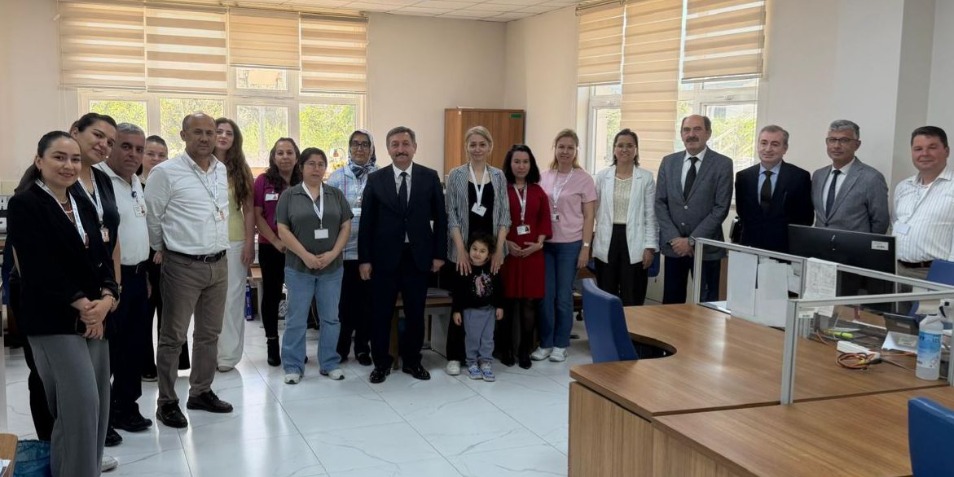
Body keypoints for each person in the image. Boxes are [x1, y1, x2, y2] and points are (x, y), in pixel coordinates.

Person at [9, 131, 119, 477]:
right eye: (59, 157)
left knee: (97, 407)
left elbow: (101, 255)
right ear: (39, 161)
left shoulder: (81, 202)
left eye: (74, 159)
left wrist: (108, 297)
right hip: (54, 319)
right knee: (78, 408)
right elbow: (37, 265)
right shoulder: (26, 204)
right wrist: (82, 304)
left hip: (95, 316)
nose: (68, 165)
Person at [145, 112, 234, 429]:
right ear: (183, 135)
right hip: (182, 264)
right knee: (173, 337)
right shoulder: (165, 172)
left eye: (210, 132)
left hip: (218, 263)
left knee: (209, 334)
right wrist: (164, 248)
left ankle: (200, 392)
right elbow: (152, 217)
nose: (206, 138)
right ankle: (167, 402)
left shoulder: (221, 169)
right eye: (198, 132)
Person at [358, 126, 448, 384]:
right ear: (388, 149)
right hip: (383, 259)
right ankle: (381, 363)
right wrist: (365, 259)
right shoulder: (376, 179)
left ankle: (412, 361)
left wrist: (439, 254)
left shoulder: (429, 177)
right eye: (395, 144)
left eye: (406, 144)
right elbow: (367, 223)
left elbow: (441, 219)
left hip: (417, 258)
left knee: (415, 313)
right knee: (381, 314)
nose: (401, 149)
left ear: (414, 147)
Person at [97, 123, 155, 441]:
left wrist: (142, 274)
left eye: (139, 149)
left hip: (136, 276)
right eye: (126, 146)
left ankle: (126, 407)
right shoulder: (98, 181)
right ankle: (102, 418)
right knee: (106, 353)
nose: (133, 154)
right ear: (111, 146)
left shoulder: (136, 182)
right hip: (110, 280)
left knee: (134, 347)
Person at [276, 148, 352, 383]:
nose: (316, 168)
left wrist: (333, 253)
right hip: (299, 268)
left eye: (321, 164)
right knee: (296, 319)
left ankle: (329, 363)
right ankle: (293, 365)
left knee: (331, 318)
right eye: (311, 164)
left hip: (331, 268)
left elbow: (346, 226)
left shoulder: (335, 195)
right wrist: (305, 255)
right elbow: (283, 230)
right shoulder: (289, 196)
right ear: (301, 167)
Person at [443, 126, 510, 375]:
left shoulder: (499, 176)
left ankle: (485, 355)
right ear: (466, 147)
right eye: (473, 144)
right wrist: (461, 250)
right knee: (462, 302)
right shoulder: (456, 175)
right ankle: (455, 356)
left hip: (490, 252)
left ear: (490, 147)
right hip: (464, 250)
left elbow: (504, 216)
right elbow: (452, 216)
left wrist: (499, 250)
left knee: (488, 302)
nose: (477, 149)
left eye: (482, 144)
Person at [655, 115, 733, 304]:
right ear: (681, 134)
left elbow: (720, 208)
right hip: (674, 248)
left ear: (708, 133)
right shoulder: (668, 162)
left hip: (707, 249)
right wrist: (675, 239)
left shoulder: (722, 164)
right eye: (686, 130)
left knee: (706, 306)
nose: (691, 134)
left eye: (697, 129)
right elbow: (660, 203)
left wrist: (691, 241)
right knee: (672, 305)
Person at [532, 129, 596, 363]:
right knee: (545, 296)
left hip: (570, 244)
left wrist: (585, 247)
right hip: (546, 245)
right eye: (561, 147)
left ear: (576, 150)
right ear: (555, 149)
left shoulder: (584, 179)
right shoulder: (544, 176)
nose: (565, 152)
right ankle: (546, 343)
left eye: (570, 148)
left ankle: (561, 344)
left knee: (563, 296)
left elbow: (589, 216)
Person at [140, 135, 190, 382]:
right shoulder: (132, 184)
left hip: (169, 253)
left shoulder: (171, 184)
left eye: (162, 155)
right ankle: (145, 365)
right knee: (143, 313)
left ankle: (172, 362)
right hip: (142, 256)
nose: (156, 159)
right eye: (150, 154)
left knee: (170, 312)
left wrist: (163, 246)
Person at [327, 129, 378, 367]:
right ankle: (341, 347)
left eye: (365, 144)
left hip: (370, 253)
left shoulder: (380, 176)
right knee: (344, 304)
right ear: (349, 148)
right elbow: (329, 215)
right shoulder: (337, 178)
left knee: (367, 304)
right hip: (343, 251)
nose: (360, 148)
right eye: (355, 144)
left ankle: (362, 348)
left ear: (371, 148)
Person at [499, 145, 551, 369]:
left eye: (525, 162)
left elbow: (545, 220)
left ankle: (524, 350)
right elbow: (495, 220)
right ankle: (506, 349)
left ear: (531, 165)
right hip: (507, 254)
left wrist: (538, 244)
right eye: (517, 161)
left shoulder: (538, 191)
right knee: (508, 302)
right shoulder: (501, 189)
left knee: (529, 303)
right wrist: (504, 244)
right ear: (510, 164)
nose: (521, 166)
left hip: (532, 255)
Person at [593, 129, 658, 306]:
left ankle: (632, 325)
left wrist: (650, 247)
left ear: (636, 150)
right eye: (620, 145)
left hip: (635, 240)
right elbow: (594, 210)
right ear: (614, 149)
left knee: (633, 293)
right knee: (607, 293)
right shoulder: (602, 177)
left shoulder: (646, 178)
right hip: (608, 238)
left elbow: (650, 215)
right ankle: (608, 325)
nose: (624, 149)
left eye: (629, 146)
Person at [254, 137, 302, 367]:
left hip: (299, 249)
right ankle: (272, 343)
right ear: (273, 156)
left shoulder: (304, 181)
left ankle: (294, 346)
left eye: (289, 152)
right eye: (280, 153)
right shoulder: (263, 181)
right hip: (270, 247)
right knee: (272, 295)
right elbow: (257, 215)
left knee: (299, 297)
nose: (285, 157)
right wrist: (275, 241)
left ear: (297, 157)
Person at [214, 117, 255, 372]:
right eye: (219, 131)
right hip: (204, 242)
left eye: (229, 133)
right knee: (208, 301)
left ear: (235, 139)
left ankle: (227, 356)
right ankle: (208, 353)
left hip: (235, 240)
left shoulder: (241, 169)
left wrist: (250, 242)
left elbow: (248, 210)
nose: (223, 136)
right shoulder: (199, 165)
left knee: (232, 299)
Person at [734, 125, 814, 253]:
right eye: (763, 143)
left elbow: (806, 218)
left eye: (775, 144)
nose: (768, 149)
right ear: (757, 145)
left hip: (785, 250)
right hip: (750, 247)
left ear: (785, 148)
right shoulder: (744, 177)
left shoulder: (799, 177)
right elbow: (742, 213)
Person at [893, 126, 954, 279]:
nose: (924, 154)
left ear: (946, 151)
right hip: (897, 270)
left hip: (934, 273)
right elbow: (895, 222)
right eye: (918, 149)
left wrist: (947, 277)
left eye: (932, 147)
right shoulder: (903, 187)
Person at [811, 119, 889, 234]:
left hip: (854, 245)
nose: (836, 146)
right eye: (832, 140)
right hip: (820, 243)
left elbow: (880, 223)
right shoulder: (818, 175)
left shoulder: (872, 178)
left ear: (857, 145)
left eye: (844, 140)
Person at [451, 233, 505, 382]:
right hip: (470, 311)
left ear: (489, 254)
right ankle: (472, 362)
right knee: (472, 338)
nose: (477, 253)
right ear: (469, 249)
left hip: (489, 311)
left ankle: (486, 362)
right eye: (474, 249)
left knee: (488, 338)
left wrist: (499, 306)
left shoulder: (493, 268)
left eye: (482, 251)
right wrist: (457, 311)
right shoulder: (464, 268)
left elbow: (499, 289)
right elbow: (458, 292)